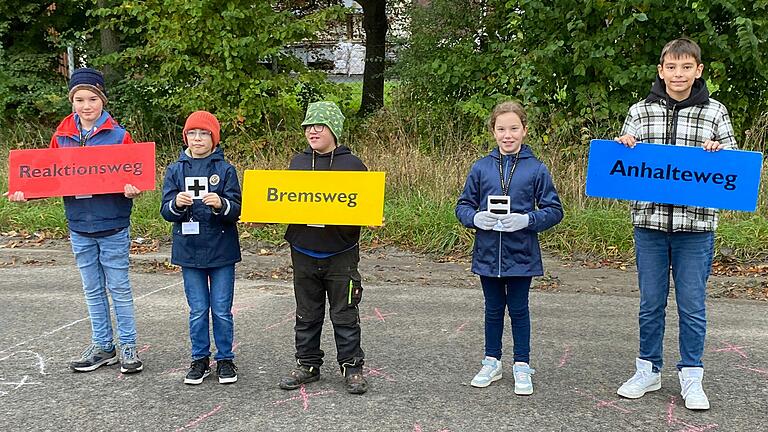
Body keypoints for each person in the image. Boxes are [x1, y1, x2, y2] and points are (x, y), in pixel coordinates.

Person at [614, 38, 737, 410]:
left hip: (696, 228)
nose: (678, 74)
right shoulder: (640, 110)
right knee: (651, 303)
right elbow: (623, 164)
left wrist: (720, 152)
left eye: (686, 67)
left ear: (698, 70)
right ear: (661, 70)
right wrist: (625, 144)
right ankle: (648, 370)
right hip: (649, 223)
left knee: (692, 305)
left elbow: (733, 167)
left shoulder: (715, 112)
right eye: (671, 67)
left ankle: (692, 375)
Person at [4, 68, 144, 373]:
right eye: (79, 99)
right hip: (79, 225)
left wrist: (133, 189)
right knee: (92, 290)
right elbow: (50, 179)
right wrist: (26, 193)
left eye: (92, 98)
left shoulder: (119, 136)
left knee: (119, 288)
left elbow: (135, 176)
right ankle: (103, 346)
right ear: (72, 102)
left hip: (113, 224)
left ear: (102, 100)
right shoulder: (61, 137)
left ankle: (129, 346)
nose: (86, 105)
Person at [455, 101, 563, 394]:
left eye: (514, 128)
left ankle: (521, 365)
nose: (508, 135)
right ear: (493, 131)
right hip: (488, 253)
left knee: (518, 310)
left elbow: (554, 210)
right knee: (492, 310)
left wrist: (527, 219)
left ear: (524, 131)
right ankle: (491, 361)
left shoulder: (537, 169)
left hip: (521, 254)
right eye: (501, 129)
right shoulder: (481, 167)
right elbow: (462, 206)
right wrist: (475, 217)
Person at [278, 101, 368, 395]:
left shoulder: (354, 166)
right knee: (307, 312)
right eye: (308, 126)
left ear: (334, 129)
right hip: (303, 250)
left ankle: (352, 367)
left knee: (345, 313)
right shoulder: (297, 163)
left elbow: (365, 207)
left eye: (319, 125)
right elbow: (282, 201)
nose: (312, 131)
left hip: (340, 252)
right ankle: (307, 365)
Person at [160, 111, 242, 385]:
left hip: (221, 250)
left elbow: (237, 209)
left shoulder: (226, 170)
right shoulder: (175, 170)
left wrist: (221, 205)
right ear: (186, 137)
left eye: (204, 134)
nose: (197, 139)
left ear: (213, 138)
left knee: (221, 308)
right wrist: (177, 204)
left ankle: (225, 359)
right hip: (189, 250)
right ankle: (199, 358)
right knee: (197, 309)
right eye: (192, 133)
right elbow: (166, 210)